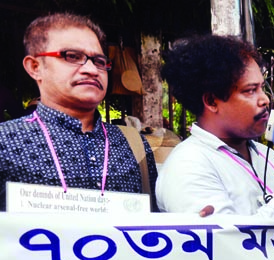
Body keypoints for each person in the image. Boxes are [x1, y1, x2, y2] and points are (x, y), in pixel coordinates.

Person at [156, 34, 274, 218]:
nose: (265, 99)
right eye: (250, 91)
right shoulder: (187, 166)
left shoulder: (267, 156)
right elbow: (227, 243)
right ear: (212, 101)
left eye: (262, 88)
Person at [0, 13, 157, 211]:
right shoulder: (5, 142)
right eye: (72, 56)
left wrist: (199, 221)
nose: (91, 69)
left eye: (99, 61)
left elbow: (154, 224)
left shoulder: (134, 144)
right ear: (35, 67)